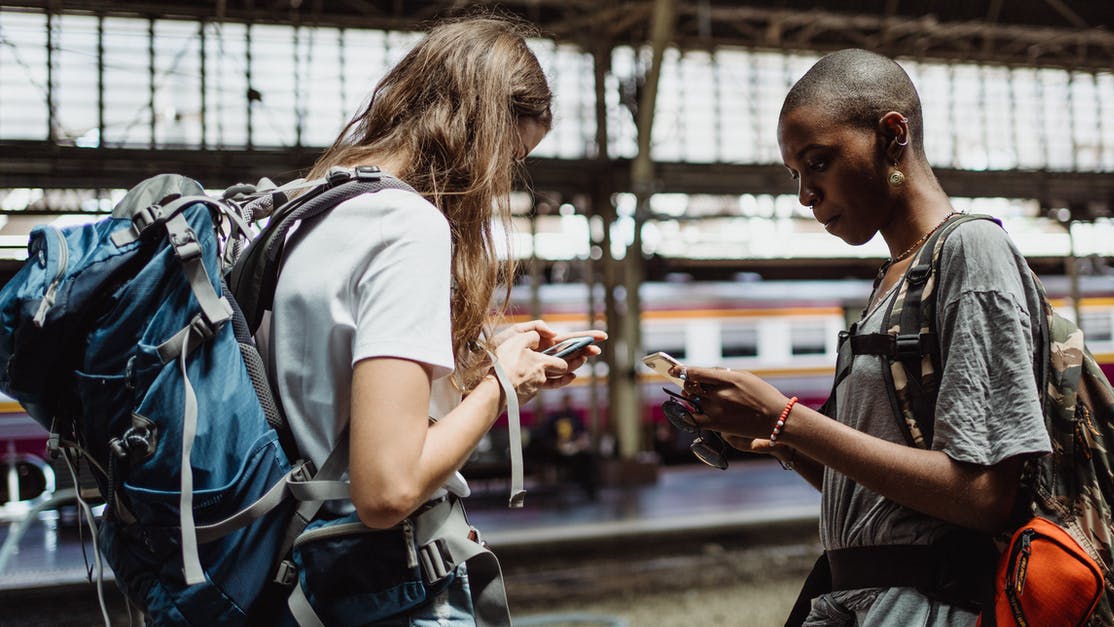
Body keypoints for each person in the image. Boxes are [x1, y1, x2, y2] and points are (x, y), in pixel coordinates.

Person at [671, 49, 1051, 626]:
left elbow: (982, 496)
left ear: (891, 136)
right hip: (859, 600)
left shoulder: (972, 252)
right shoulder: (892, 282)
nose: (805, 194)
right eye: (795, 174)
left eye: (818, 162)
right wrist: (785, 443)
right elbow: (883, 498)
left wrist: (787, 419)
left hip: (926, 605)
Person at [268, 17, 604, 624]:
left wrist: (473, 360)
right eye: (509, 156)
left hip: (300, 574)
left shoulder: (308, 204)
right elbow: (386, 489)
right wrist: (504, 385)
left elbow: (330, 389)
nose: (502, 180)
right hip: (380, 583)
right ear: (476, 129)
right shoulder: (408, 226)